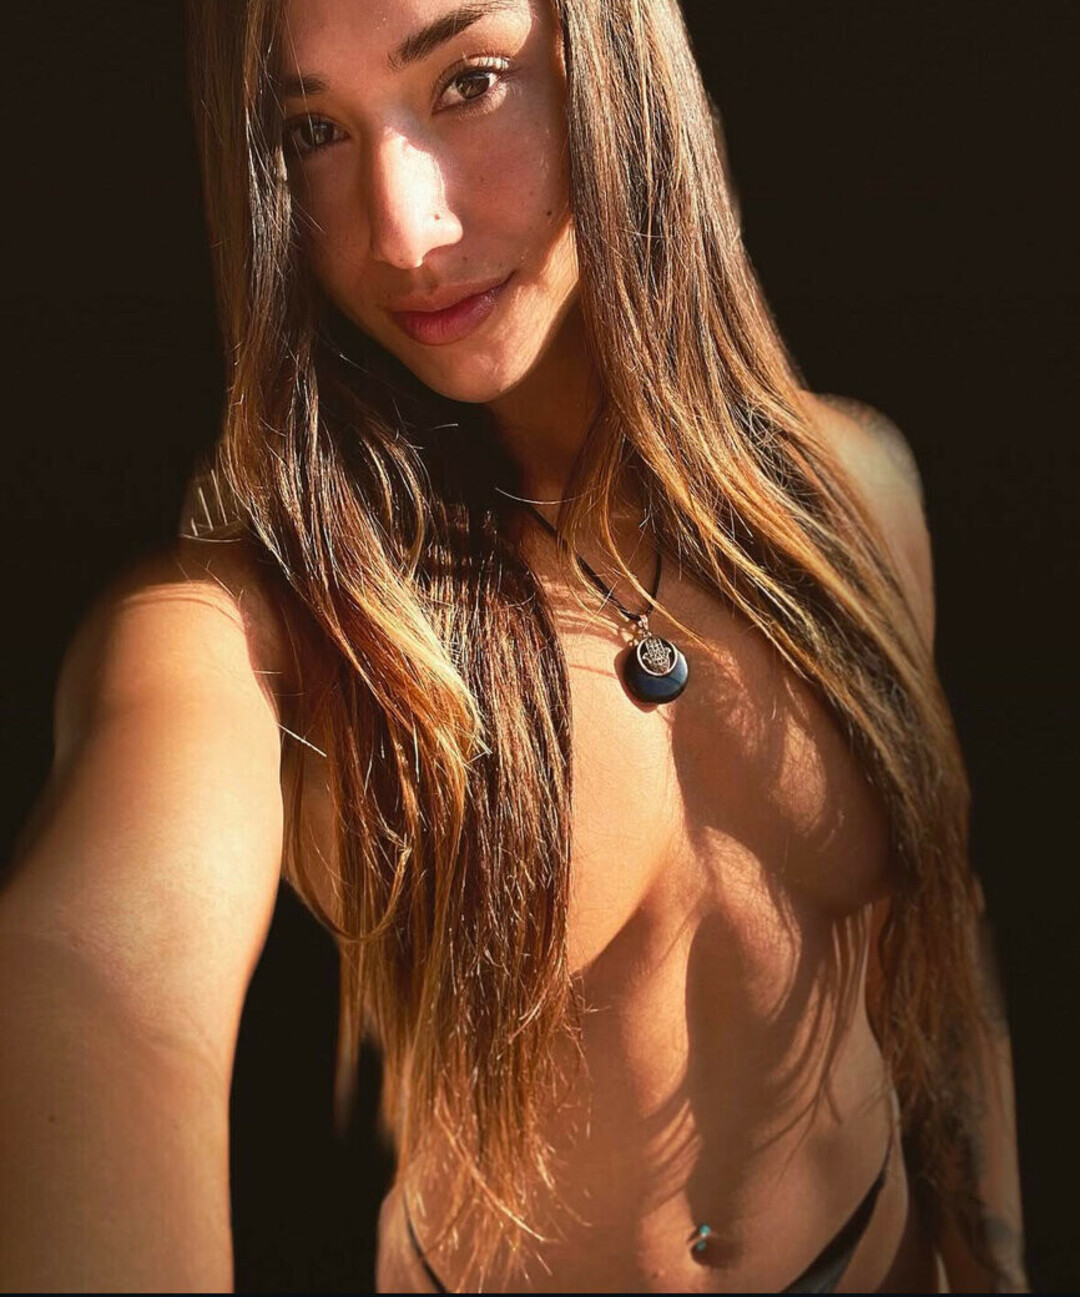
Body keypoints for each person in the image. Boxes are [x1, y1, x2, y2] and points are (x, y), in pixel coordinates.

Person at [0, 0, 1027, 1291]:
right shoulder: (256, 637)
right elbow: (100, 983)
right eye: (312, 132)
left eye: (470, 81)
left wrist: (995, 1256)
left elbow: (938, 937)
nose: (403, 231)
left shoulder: (857, 491)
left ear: (617, 63)